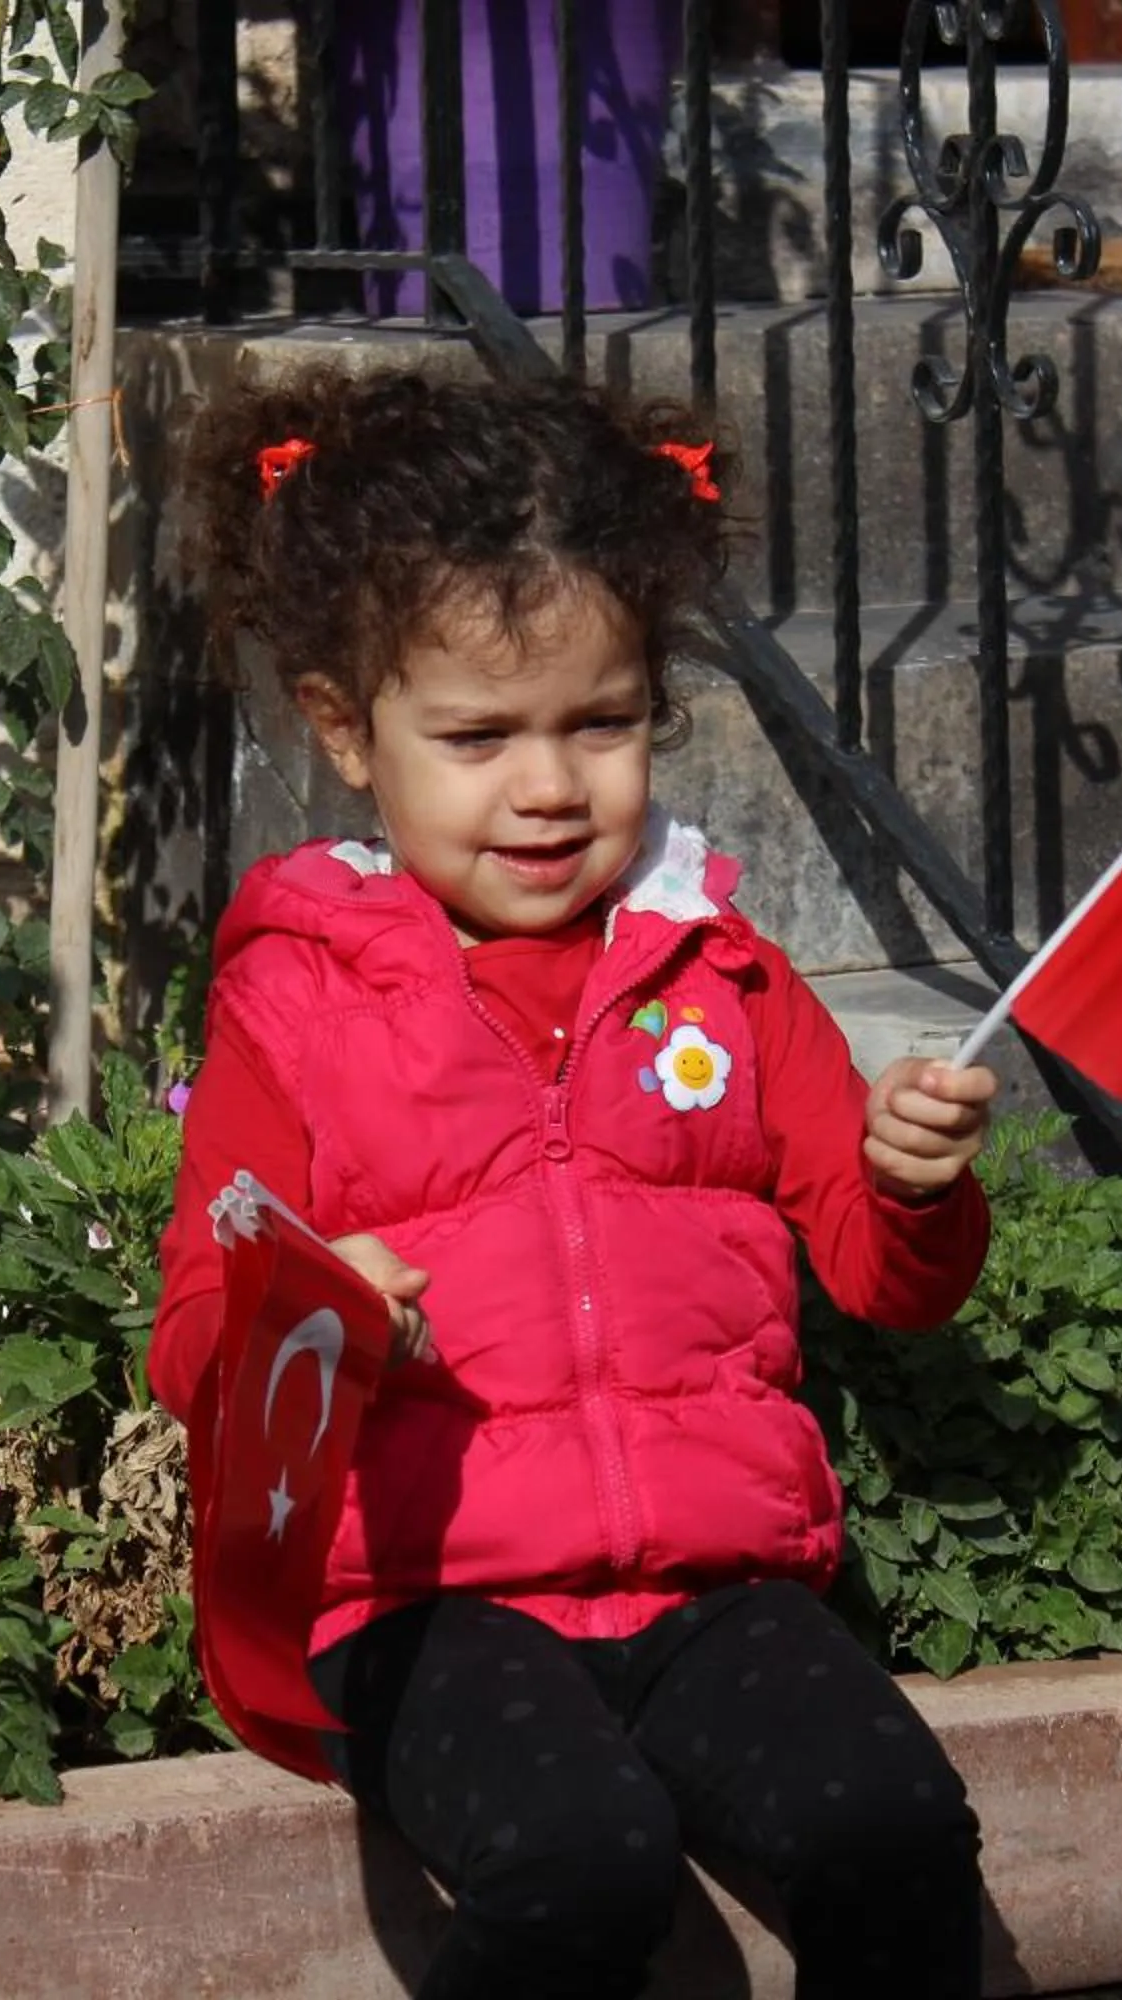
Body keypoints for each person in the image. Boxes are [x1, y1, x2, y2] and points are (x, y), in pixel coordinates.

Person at [148, 363, 999, 2000]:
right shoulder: (296, 1002)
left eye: (598, 723)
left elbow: (898, 1283)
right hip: (417, 1605)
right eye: (476, 737)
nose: (548, 787)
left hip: (712, 1590)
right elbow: (197, 1337)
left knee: (895, 1832)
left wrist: (913, 1183)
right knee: (579, 1869)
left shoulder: (721, 974)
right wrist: (312, 1322)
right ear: (345, 730)